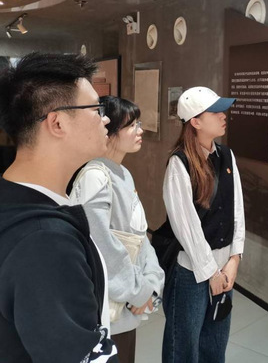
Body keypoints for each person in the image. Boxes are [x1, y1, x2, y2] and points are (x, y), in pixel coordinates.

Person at [0, 52, 118, 362]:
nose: (106, 118)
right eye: (96, 109)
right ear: (57, 122)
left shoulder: (16, 201)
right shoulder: (44, 242)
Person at [70, 96, 165, 363]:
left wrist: (152, 283)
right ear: (109, 131)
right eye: (132, 125)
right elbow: (103, 249)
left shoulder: (123, 173)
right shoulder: (95, 176)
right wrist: (139, 291)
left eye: (139, 124)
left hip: (127, 308)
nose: (140, 130)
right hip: (108, 314)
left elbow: (140, 238)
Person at [161, 86, 245, 363]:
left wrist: (234, 259)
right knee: (183, 349)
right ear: (195, 122)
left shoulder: (227, 155)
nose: (224, 115)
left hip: (224, 266)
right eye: (215, 111)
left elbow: (237, 210)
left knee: (215, 347)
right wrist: (211, 272)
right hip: (192, 270)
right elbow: (186, 227)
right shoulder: (180, 163)